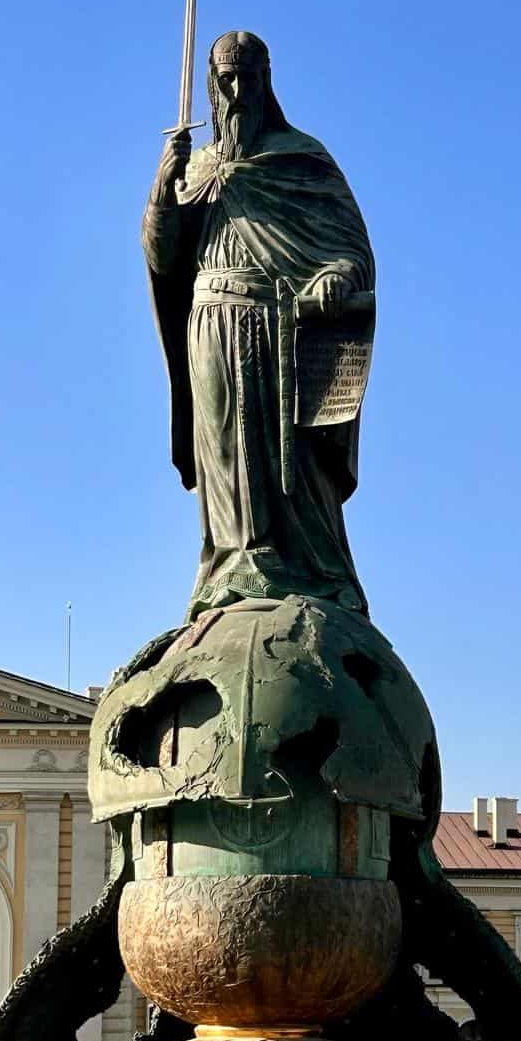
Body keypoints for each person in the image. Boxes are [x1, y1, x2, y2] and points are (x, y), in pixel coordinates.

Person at [142, 30, 377, 621]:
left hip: (282, 327)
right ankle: (233, 564)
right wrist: (162, 194)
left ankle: (317, 573)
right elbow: (165, 258)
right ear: (211, 86)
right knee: (223, 444)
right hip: (212, 325)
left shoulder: (301, 157)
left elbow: (351, 249)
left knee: (291, 461)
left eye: (250, 77)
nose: (239, 90)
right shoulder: (196, 167)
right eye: (227, 79)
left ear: (267, 80)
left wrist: (337, 278)